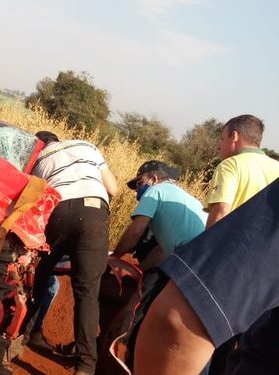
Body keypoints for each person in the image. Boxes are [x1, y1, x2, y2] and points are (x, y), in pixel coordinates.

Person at [132, 115, 279, 374]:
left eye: (222, 139)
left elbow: (221, 212)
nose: (220, 147)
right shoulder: (275, 169)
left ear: (234, 137)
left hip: (225, 271)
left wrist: (205, 264)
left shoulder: (232, 165)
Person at [20, 130, 118, 375]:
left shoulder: (40, 158)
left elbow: (32, 200)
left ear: (39, 144)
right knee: (87, 292)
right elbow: (113, 189)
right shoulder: (87, 146)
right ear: (59, 139)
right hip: (94, 212)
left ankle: (20, 337)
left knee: (39, 278)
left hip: (58, 210)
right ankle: (85, 366)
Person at [113, 160, 207, 269]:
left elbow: (136, 231)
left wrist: (114, 257)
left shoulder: (154, 190)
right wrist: (140, 270)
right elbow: (161, 250)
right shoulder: (184, 196)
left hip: (186, 257)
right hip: (202, 257)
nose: (137, 190)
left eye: (139, 183)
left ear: (153, 179)